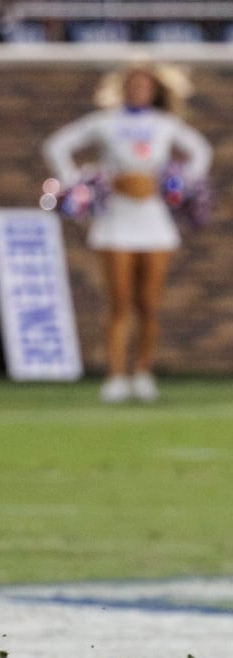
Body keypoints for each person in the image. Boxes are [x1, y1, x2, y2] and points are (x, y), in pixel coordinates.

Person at [42, 62, 211, 404]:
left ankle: (143, 373)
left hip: (154, 220)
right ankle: (116, 376)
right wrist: (80, 182)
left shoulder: (164, 125)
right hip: (116, 220)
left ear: (155, 90)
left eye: (144, 85)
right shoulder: (105, 123)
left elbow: (200, 151)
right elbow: (57, 145)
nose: (138, 90)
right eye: (132, 84)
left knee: (148, 304)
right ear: (121, 88)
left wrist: (176, 185)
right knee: (119, 305)